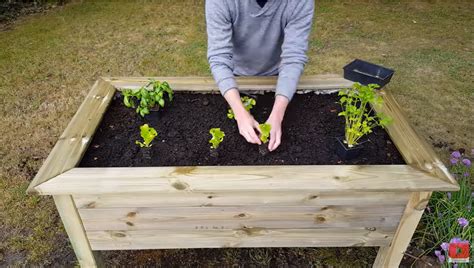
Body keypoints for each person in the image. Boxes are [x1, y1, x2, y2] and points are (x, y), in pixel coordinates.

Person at [206, 0, 314, 151]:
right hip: (235, 76)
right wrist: (240, 113)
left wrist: (277, 115)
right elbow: (219, 57)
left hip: (277, 77)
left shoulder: (299, 2)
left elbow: (293, 58)